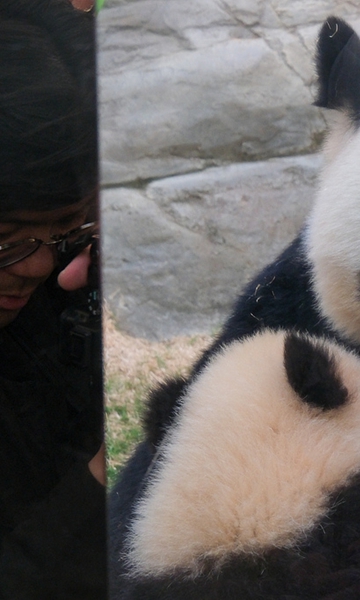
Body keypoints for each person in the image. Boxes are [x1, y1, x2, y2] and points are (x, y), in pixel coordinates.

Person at [0, 0, 106, 597]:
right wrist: (98, 485)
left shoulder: (66, 271)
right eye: (5, 243)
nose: (39, 267)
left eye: (63, 232)